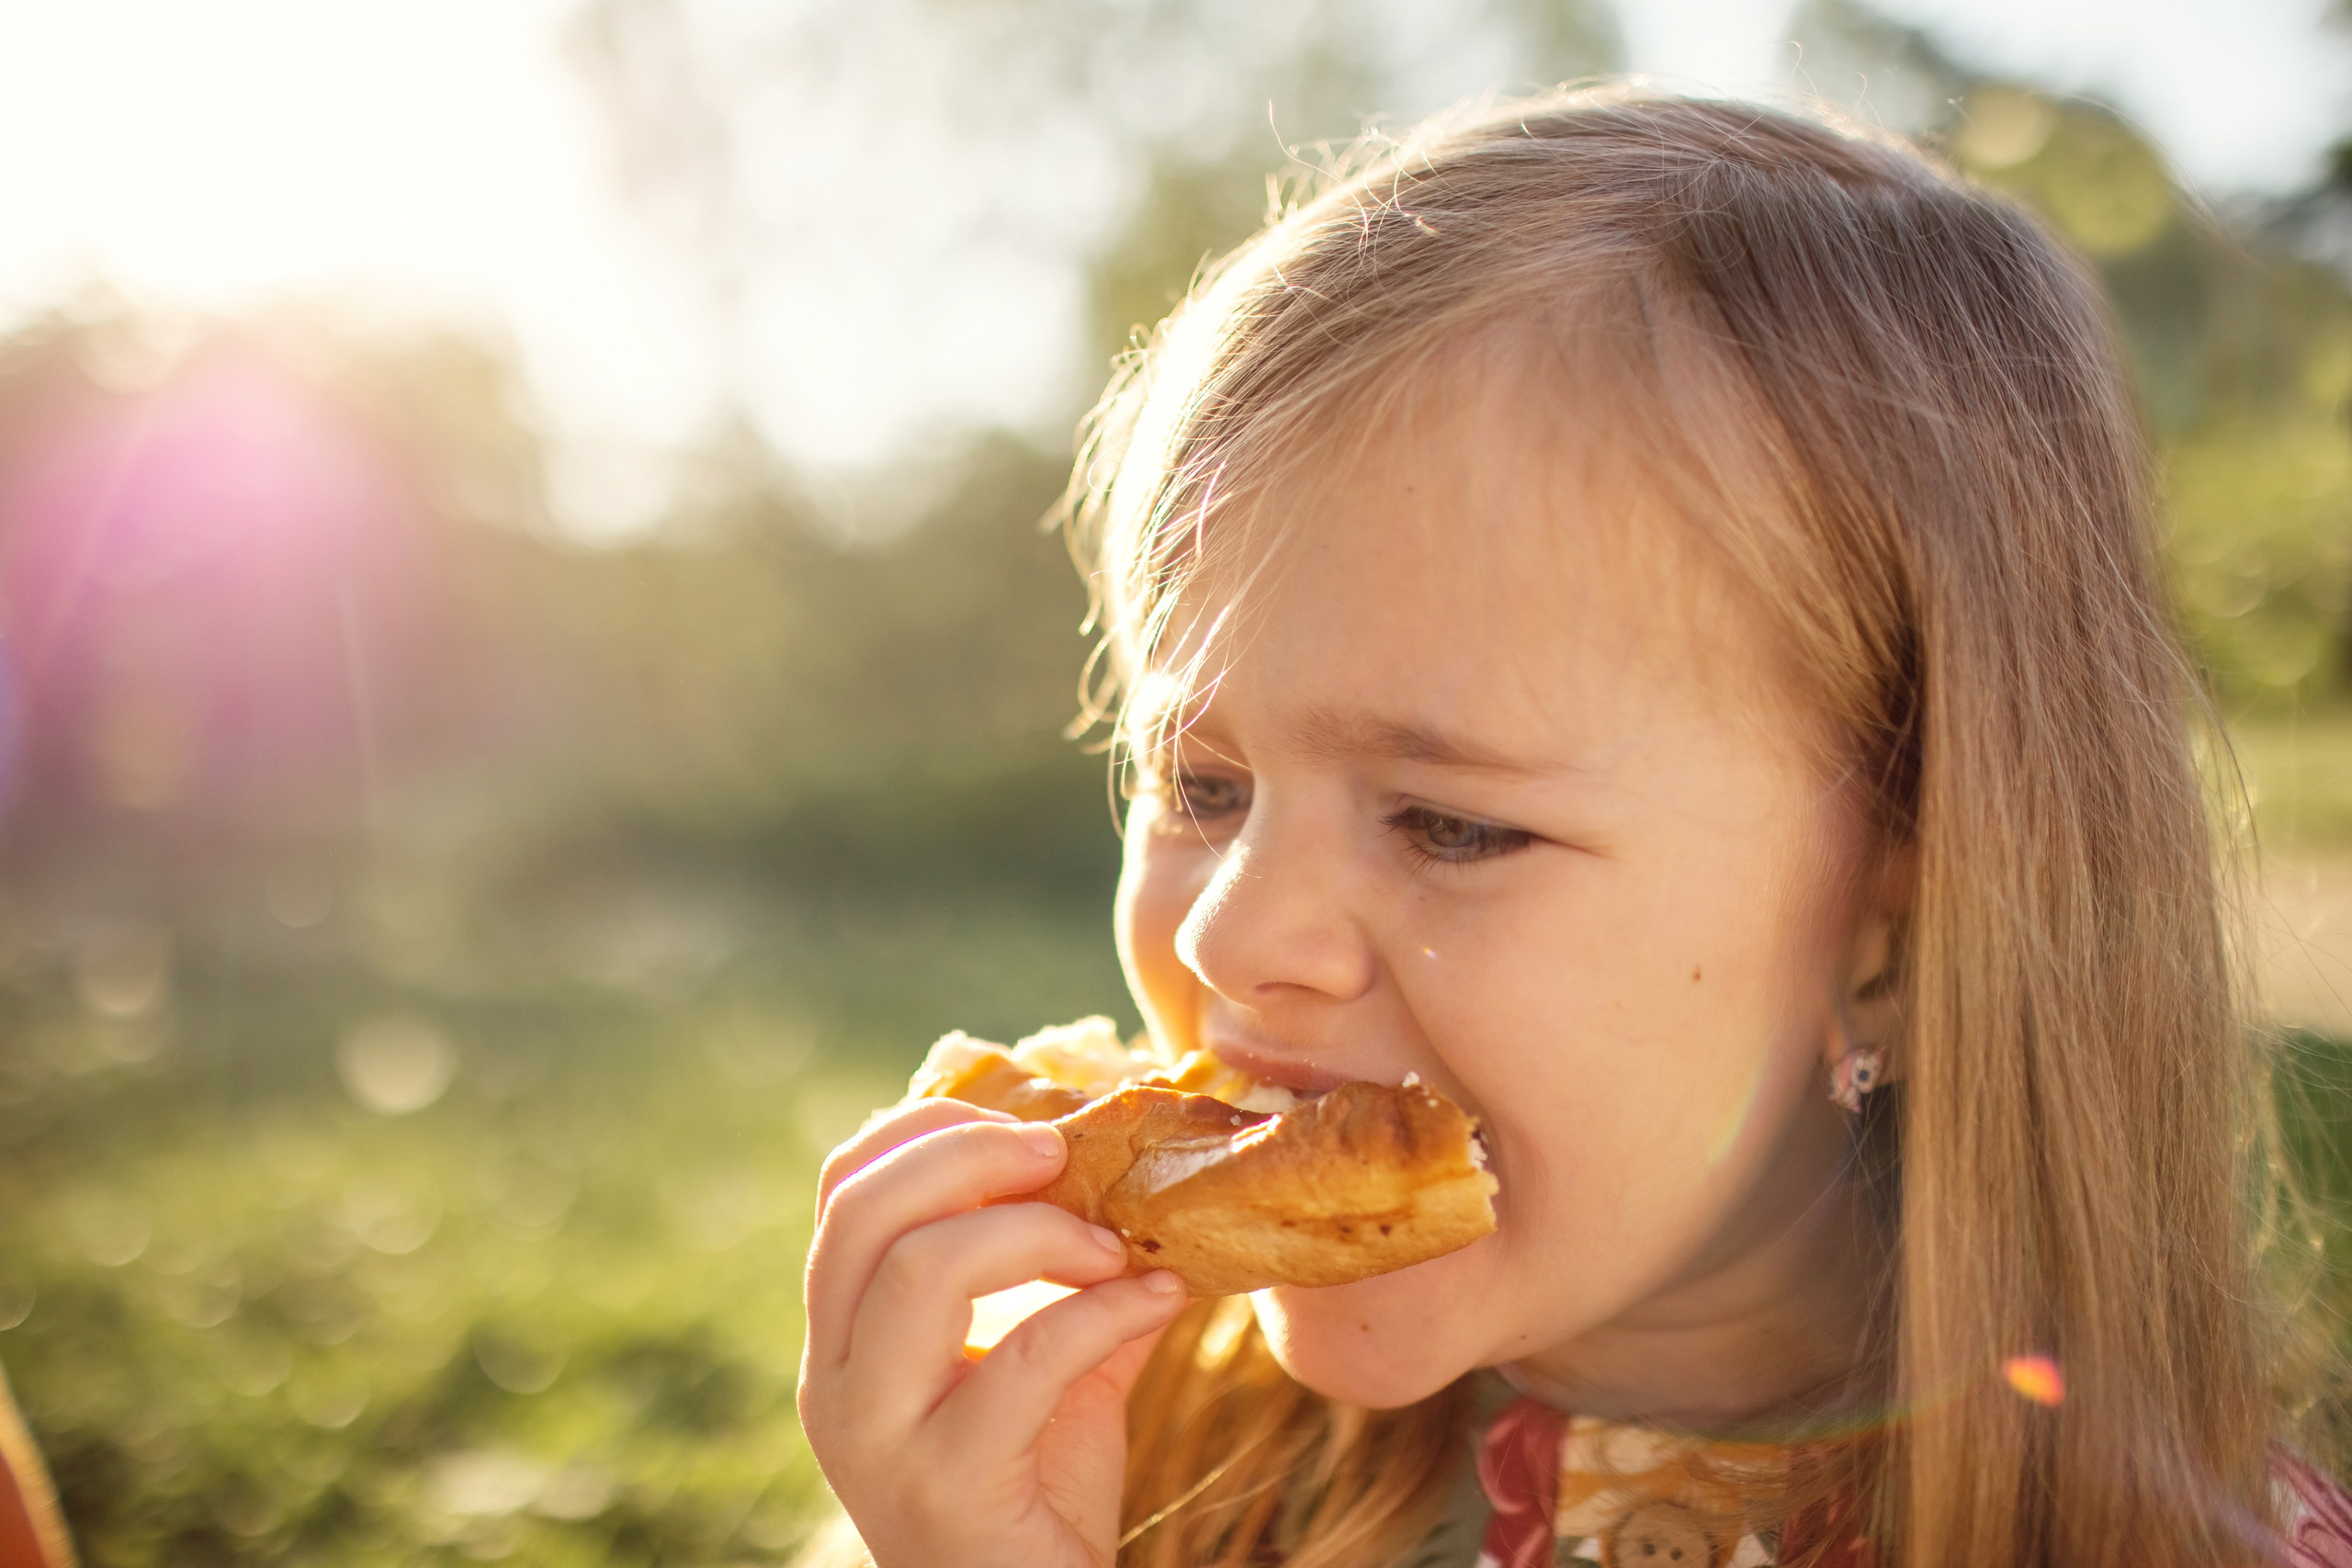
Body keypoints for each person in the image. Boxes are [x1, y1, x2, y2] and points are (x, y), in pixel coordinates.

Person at [793, 88, 2352, 1567]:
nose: (1229, 933)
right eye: (1204, 786)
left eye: (1448, 825)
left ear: (1893, 941)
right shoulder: (1121, 1454)